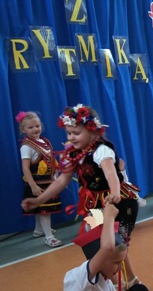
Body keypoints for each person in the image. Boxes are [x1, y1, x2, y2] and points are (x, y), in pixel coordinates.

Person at [22, 105, 139, 245]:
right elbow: (61, 181)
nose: (71, 137)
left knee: (118, 245)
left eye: (76, 133)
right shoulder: (74, 153)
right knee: (99, 242)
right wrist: (39, 200)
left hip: (119, 202)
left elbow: (110, 174)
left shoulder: (101, 150)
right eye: (69, 133)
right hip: (95, 204)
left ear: (92, 132)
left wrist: (114, 194)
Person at [16, 111, 63, 247]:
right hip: (38, 183)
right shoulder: (26, 146)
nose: (35, 129)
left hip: (49, 182)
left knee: (40, 208)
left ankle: (39, 230)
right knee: (44, 211)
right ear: (23, 129)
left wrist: (55, 176)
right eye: (30, 127)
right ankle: (49, 237)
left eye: (37, 126)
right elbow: (25, 168)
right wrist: (33, 186)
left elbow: (51, 161)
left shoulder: (45, 141)